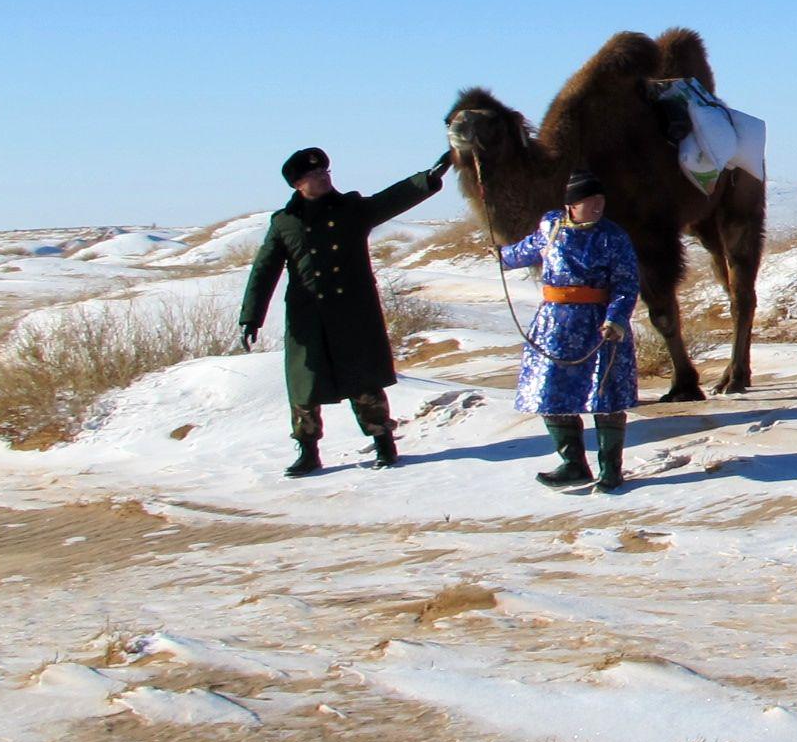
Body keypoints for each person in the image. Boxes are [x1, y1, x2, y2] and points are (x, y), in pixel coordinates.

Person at [238, 145, 453, 478]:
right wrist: (251, 317)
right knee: (304, 388)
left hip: (352, 314)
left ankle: (384, 444)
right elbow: (264, 269)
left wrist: (428, 178)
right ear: (298, 183)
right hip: (308, 319)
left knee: (363, 382)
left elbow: (389, 199)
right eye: (314, 174)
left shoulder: (352, 209)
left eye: (326, 172)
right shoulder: (284, 223)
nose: (323, 177)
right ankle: (308, 452)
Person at [500, 172, 644, 493]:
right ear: (571, 205)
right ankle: (573, 465)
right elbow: (522, 252)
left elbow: (626, 283)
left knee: (604, 395)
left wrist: (616, 319)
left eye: (601, 201)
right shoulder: (550, 227)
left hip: (600, 325)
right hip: (554, 325)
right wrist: (500, 255)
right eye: (590, 202)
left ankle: (611, 470)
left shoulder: (613, 237)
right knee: (551, 394)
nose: (597, 207)